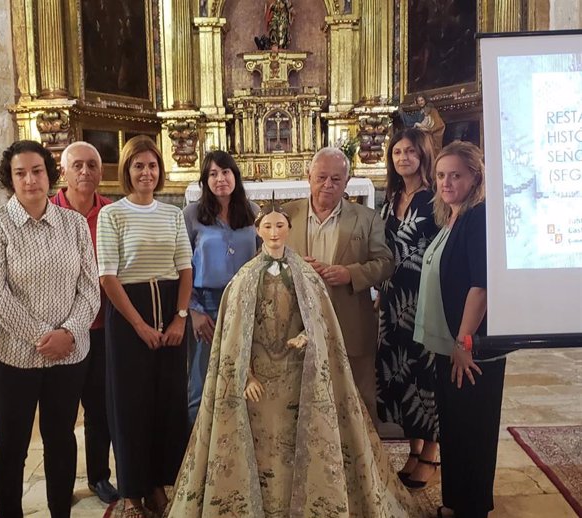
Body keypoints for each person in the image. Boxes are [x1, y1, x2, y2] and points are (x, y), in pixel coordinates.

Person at [167, 200, 421, 518]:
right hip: (257, 376)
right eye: (268, 226)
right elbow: (234, 334)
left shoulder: (306, 275)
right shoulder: (244, 279)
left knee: (295, 440)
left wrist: (307, 337)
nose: (274, 232)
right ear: (258, 231)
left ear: (289, 229)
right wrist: (245, 375)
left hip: (297, 373)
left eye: (280, 226)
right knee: (262, 442)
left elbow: (320, 322)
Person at [0, 140, 100, 518]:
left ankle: (60, 511)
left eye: (37, 170)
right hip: (11, 357)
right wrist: (44, 338)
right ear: (9, 180)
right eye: (20, 173)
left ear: (50, 173)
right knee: (12, 444)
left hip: (69, 355)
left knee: (61, 439)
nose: (30, 180)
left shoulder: (74, 224)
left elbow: (90, 288)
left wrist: (70, 333)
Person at [97, 135, 192, 518]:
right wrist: (139, 326)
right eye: (138, 166)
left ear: (159, 170)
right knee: (131, 405)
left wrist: (180, 317)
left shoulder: (172, 214)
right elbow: (108, 277)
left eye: (152, 166)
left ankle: (157, 484)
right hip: (129, 318)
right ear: (127, 170)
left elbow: (185, 267)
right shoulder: (112, 215)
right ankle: (133, 490)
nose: (146, 173)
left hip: (170, 312)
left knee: (167, 404)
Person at [414, 141, 506, 518]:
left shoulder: (477, 216)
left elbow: (480, 285)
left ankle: (472, 508)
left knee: (473, 429)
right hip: (449, 342)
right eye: (440, 175)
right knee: (454, 427)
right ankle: (456, 502)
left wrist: (464, 342)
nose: (446, 182)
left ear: (475, 178)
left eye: (456, 175)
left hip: (470, 346)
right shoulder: (451, 217)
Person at [283, 147, 393, 423]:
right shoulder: (285, 216)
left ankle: (363, 462)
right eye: (321, 177)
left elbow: (385, 262)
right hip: (298, 323)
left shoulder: (366, 219)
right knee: (298, 397)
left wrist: (350, 273)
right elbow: (265, 262)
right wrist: (295, 269)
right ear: (308, 177)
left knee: (359, 399)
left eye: (336, 179)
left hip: (351, 321)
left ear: (347, 181)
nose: (327, 185)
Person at [50, 141, 118, 504]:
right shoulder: (49, 213)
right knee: (60, 412)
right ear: (63, 171)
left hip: (104, 327)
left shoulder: (111, 212)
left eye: (92, 165)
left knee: (99, 408)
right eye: (77, 165)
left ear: (101, 172)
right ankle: (59, 484)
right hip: (64, 331)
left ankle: (98, 477)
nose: (85, 172)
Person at [376, 128, 440, 489]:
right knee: (400, 373)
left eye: (410, 152)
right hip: (394, 298)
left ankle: (431, 453)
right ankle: (414, 450)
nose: (403, 158)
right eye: (397, 152)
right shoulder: (392, 196)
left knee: (424, 373)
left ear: (423, 156)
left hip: (424, 296)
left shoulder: (433, 198)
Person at [183, 150, 260, 430]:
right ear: (205, 180)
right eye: (213, 174)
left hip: (243, 302)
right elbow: (180, 264)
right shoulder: (192, 214)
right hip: (206, 305)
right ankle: (198, 446)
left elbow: (263, 257)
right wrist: (193, 310)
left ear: (235, 177)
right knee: (201, 380)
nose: (220, 179)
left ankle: (236, 441)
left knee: (243, 372)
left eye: (225, 172)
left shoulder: (251, 212)